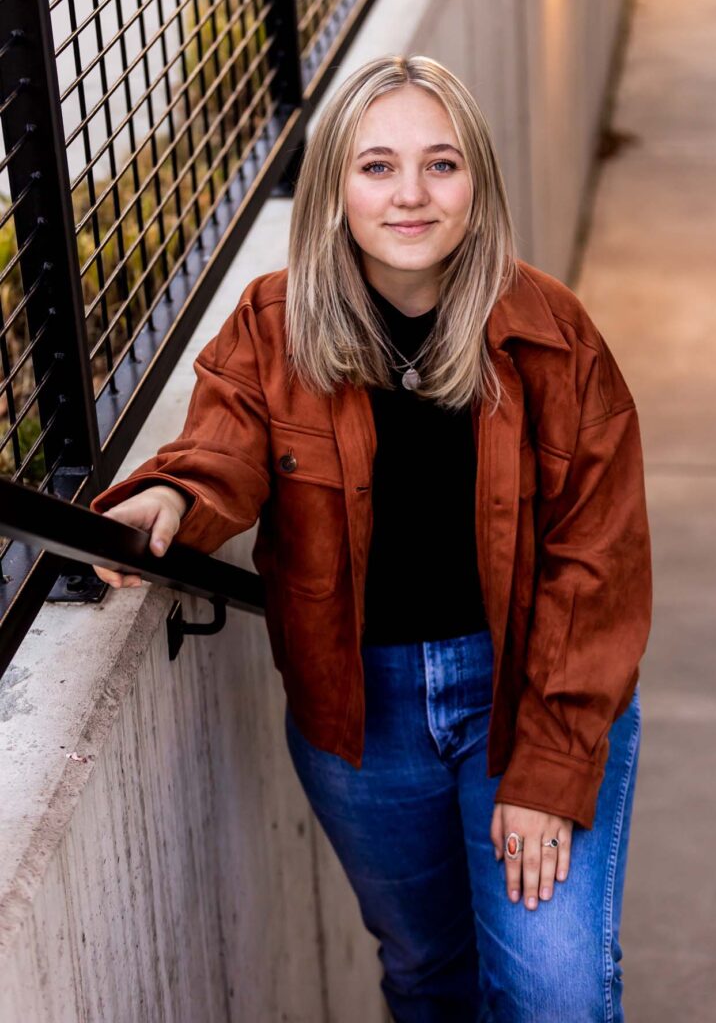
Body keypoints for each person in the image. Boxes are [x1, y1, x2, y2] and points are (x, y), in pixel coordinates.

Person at [91, 55, 652, 1023]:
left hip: (528, 688)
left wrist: (549, 765)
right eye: (377, 166)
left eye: (440, 164)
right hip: (362, 718)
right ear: (335, 189)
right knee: (429, 973)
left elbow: (597, 562)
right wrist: (173, 498)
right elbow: (222, 444)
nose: (410, 195)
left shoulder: (553, 336)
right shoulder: (273, 327)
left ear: (478, 179)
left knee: (553, 990)